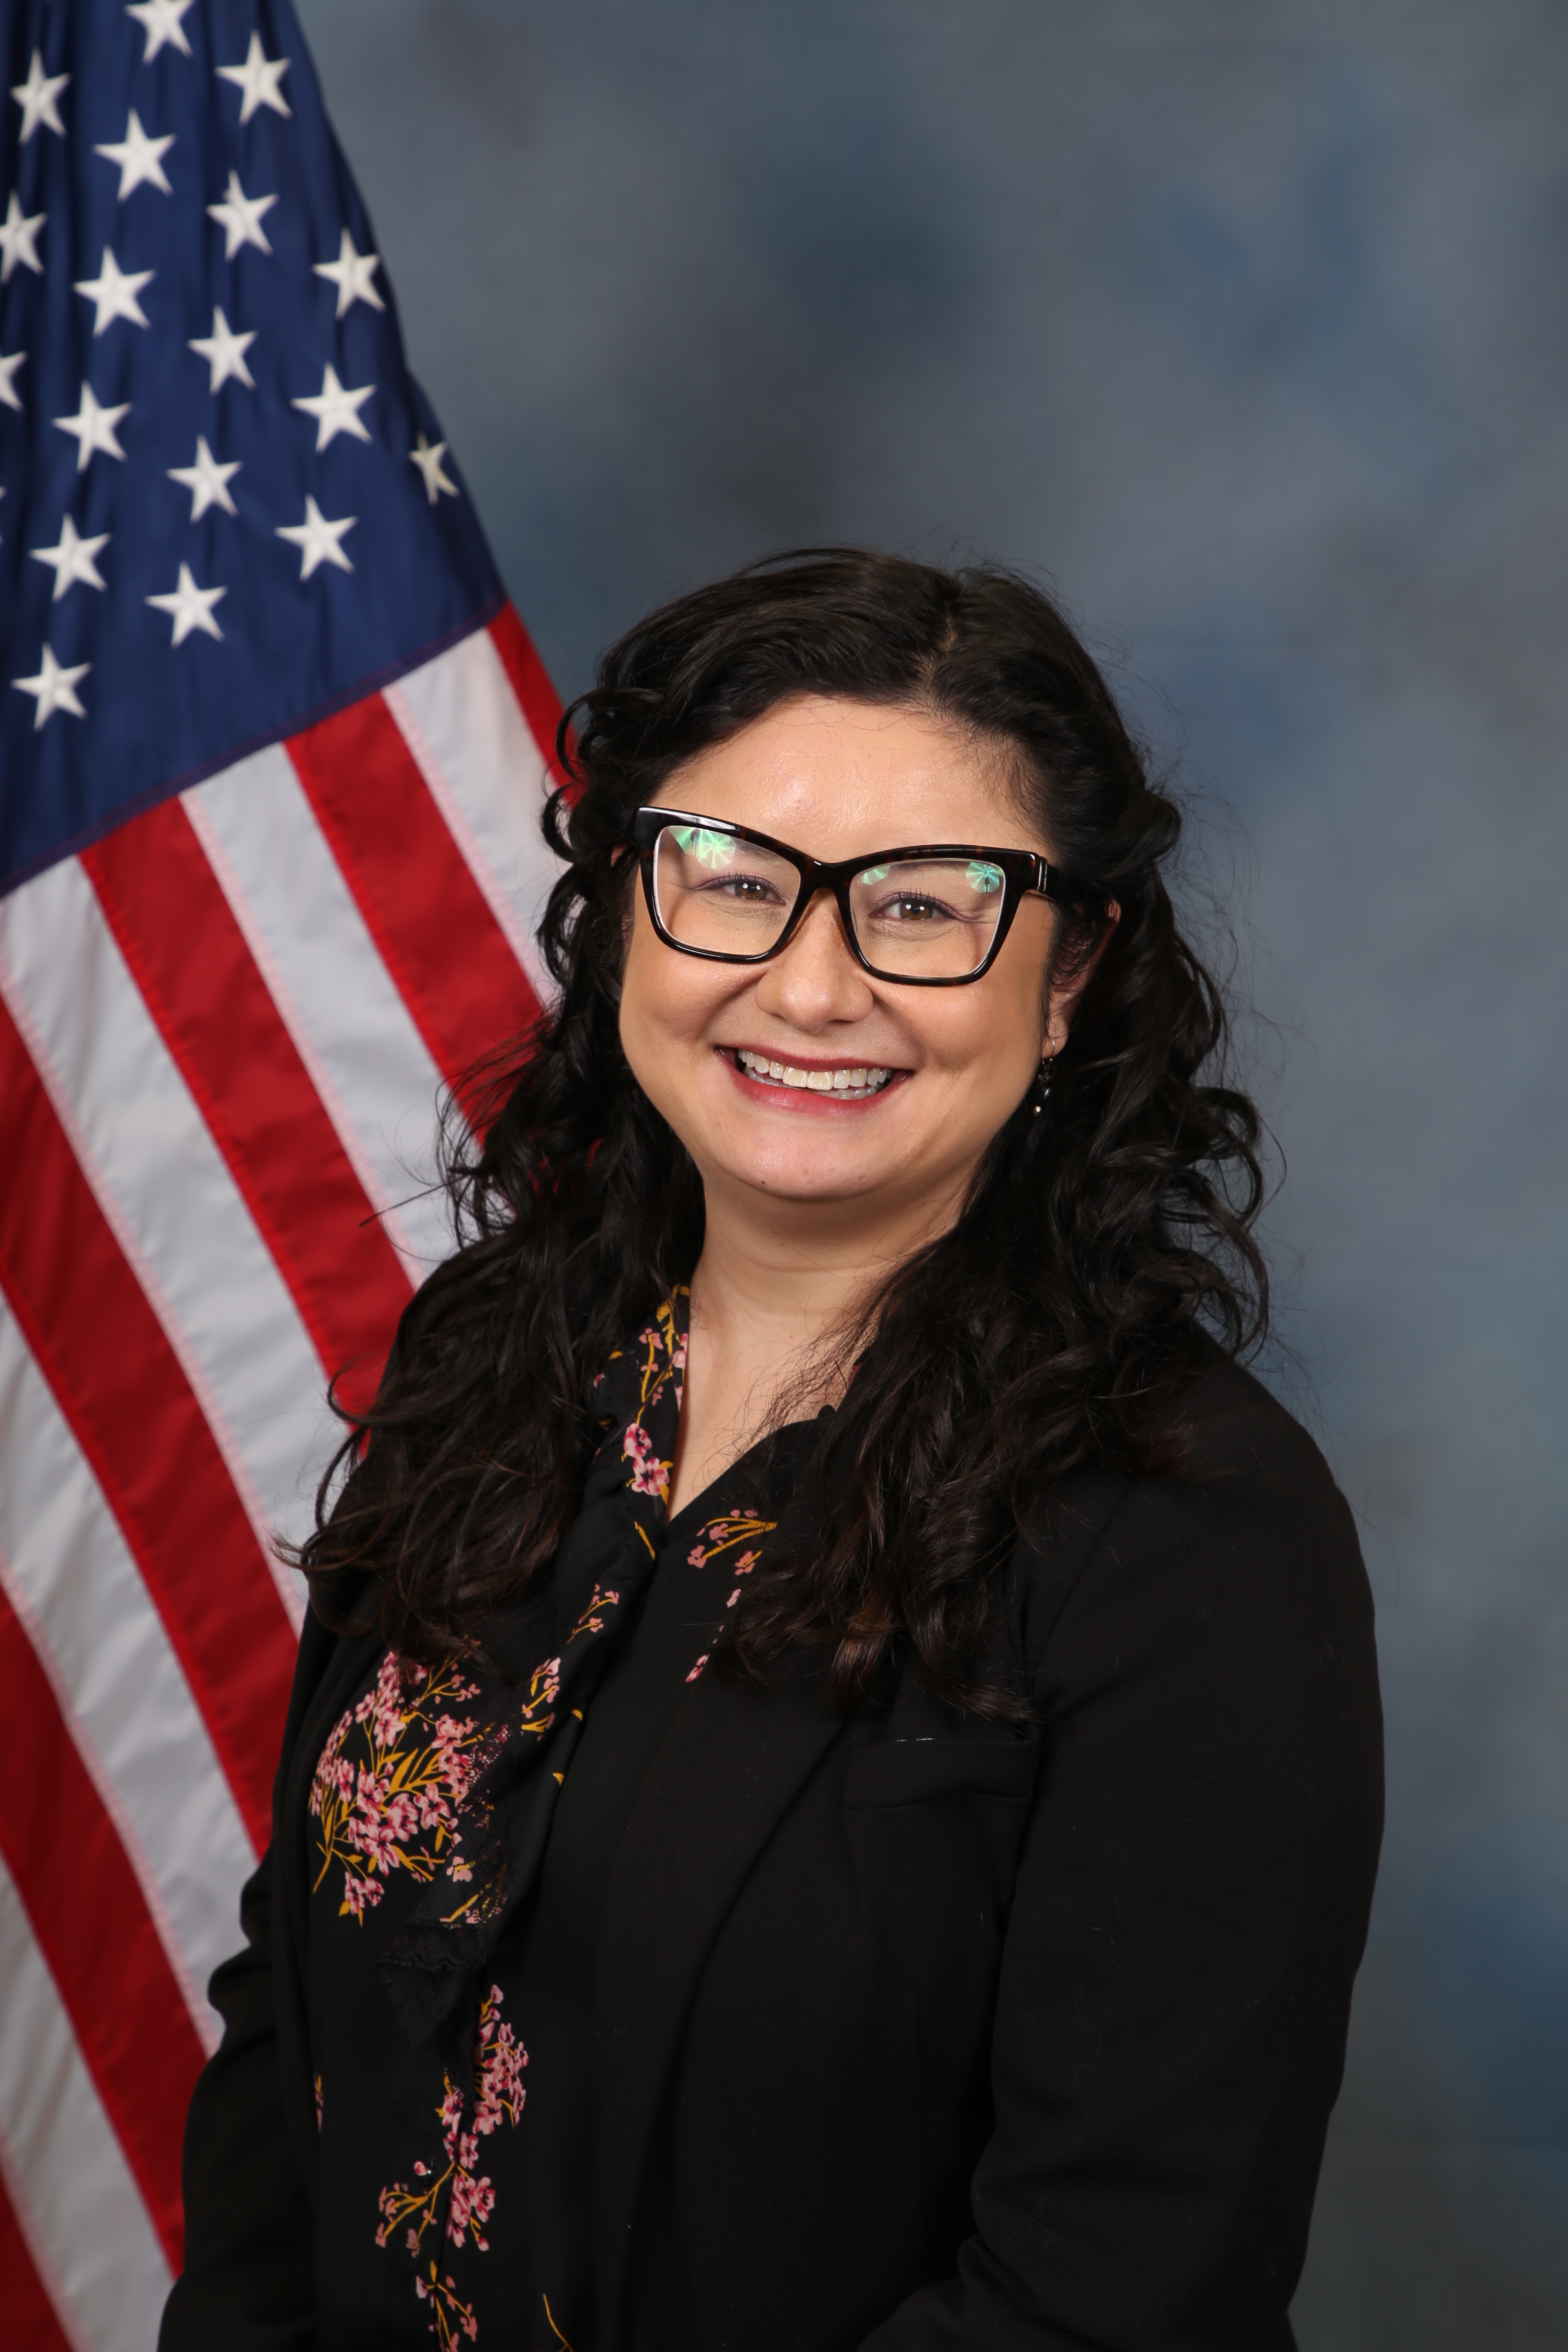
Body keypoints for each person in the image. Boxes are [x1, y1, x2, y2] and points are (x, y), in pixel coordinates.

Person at [160, 549, 1383, 2352]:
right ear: (631, 916)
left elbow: (1115, 2291)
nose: (810, 989)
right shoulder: (497, 1364)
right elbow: (296, 2045)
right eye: (733, 883)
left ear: (1070, 972)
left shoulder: (1190, 1527)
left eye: (921, 906)